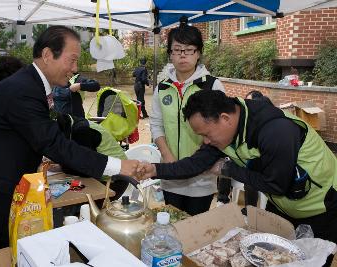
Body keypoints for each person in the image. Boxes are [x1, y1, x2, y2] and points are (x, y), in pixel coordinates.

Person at [0, 26, 138, 267]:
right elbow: (53, 143)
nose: (75, 68)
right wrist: (118, 165)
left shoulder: (30, 85)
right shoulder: (23, 90)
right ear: (48, 55)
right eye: (72, 60)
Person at [138, 89, 337, 246]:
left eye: (206, 134)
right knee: (274, 257)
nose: (205, 142)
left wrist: (228, 169)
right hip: (283, 207)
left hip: (322, 208)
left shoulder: (275, 130)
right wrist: (154, 170)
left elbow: (276, 185)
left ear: (225, 118)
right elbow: (196, 164)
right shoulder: (225, 133)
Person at [149, 20, 225, 215]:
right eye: (177, 49)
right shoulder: (163, 88)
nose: (183, 55)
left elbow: (221, 130)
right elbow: (156, 124)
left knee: (196, 230)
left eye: (189, 49)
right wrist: (167, 156)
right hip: (171, 174)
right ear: (170, 54)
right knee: (173, 226)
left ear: (198, 53)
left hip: (202, 176)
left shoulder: (212, 86)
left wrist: (198, 161)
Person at [217, 90, 272, 212]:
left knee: (250, 178)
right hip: (242, 161)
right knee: (226, 165)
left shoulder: (266, 126)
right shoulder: (240, 123)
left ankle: (249, 210)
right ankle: (222, 199)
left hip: (259, 168)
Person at [56, 113, 128, 199]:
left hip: (115, 181)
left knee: (76, 203)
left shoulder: (81, 131)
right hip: (108, 174)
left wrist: (63, 166)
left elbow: (85, 169)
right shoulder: (72, 123)